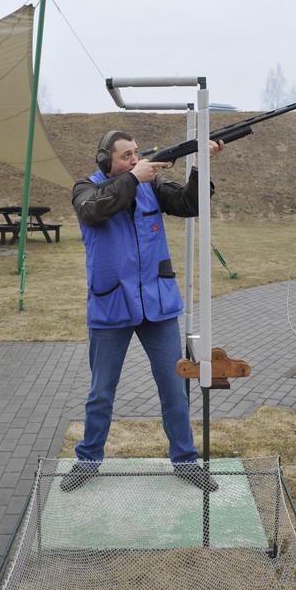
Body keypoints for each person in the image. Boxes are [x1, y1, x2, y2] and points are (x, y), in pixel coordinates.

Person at [62, 130, 224, 492]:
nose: (134, 160)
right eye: (126, 156)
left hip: (157, 304)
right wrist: (134, 178)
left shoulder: (152, 185)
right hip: (111, 305)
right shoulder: (86, 188)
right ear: (105, 160)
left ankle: (185, 461)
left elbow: (189, 204)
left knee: (174, 389)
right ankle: (88, 461)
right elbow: (92, 211)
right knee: (101, 392)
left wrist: (201, 166)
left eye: (136, 153)